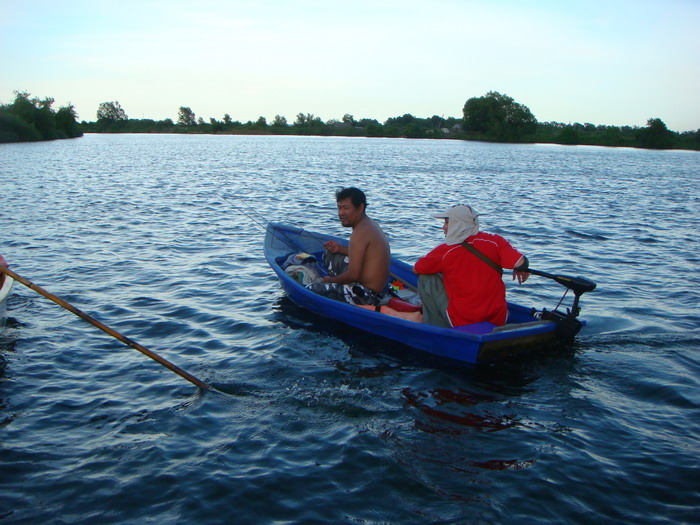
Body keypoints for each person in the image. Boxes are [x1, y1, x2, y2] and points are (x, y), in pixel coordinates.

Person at [413, 204, 530, 328]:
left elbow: (417, 269)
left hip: (462, 321)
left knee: (427, 277)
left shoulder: (445, 251)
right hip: (497, 319)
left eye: (447, 223)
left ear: (457, 224)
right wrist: (520, 270)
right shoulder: (495, 241)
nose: (443, 227)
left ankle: (435, 324)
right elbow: (522, 263)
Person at [307, 187, 391, 306]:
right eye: (339, 208)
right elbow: (366, 256)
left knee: (310, 288)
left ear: (360, 207)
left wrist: (329, 281)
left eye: (346, 208)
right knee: (331, 254)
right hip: (379, 290)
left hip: (367, 296)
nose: (341, 213)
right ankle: (335, 284)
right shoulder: (369, 224)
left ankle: (334, 286)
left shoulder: (360, 232)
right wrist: (340, 249)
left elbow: (353, 275)